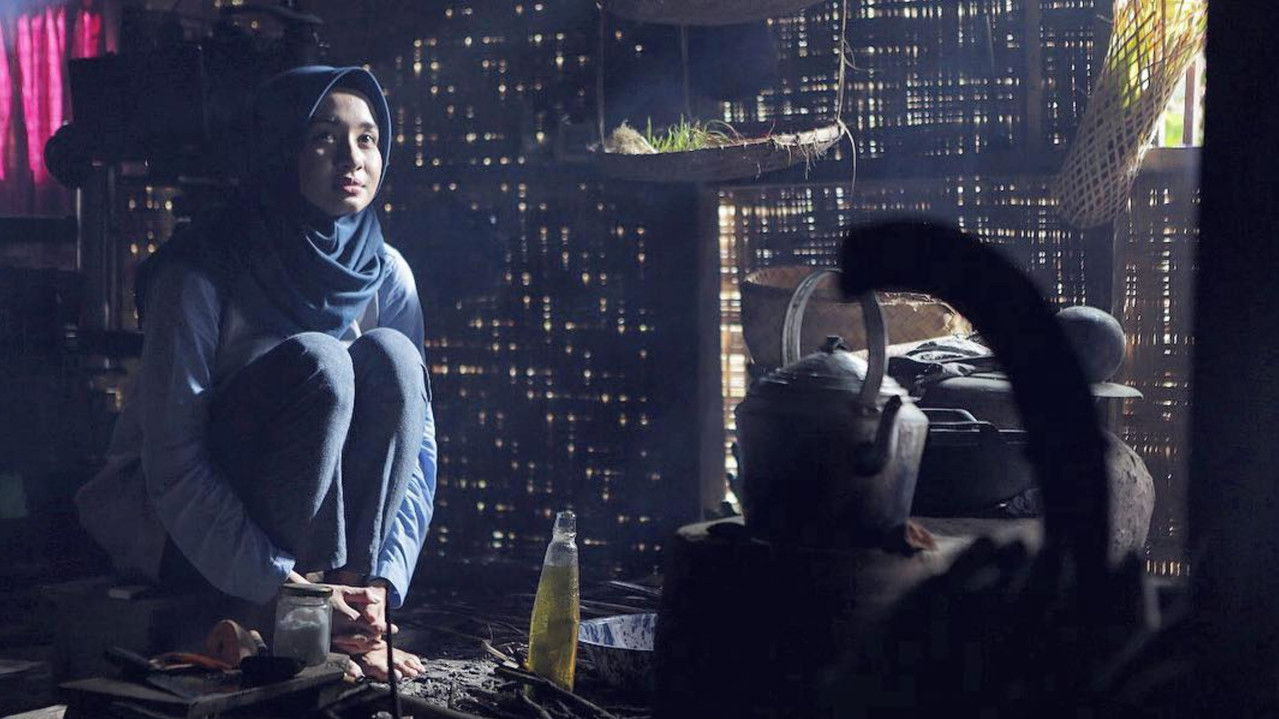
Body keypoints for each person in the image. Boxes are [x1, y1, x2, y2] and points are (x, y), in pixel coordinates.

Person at [75, 65, 435, 681]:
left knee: (396, 360)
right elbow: (174, 462)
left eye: (368, 138)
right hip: (184, 530)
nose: (351, 158)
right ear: (280, 147)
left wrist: (380, 585)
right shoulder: (200, 269)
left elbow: (419, 447)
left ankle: (351, 621)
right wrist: (287, 591)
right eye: (323, 137)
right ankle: (294, 619)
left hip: (326, 561)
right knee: (322, 363)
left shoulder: (387, 272)